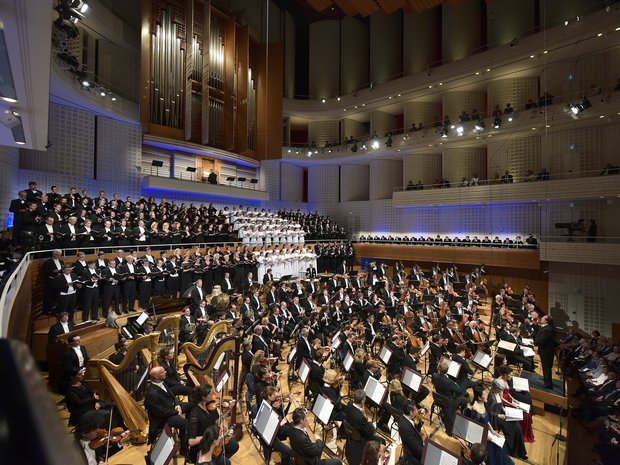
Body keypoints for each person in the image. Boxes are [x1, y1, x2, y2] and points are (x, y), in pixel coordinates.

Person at [187, 385, 239, 464]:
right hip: (203, 447)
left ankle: (218, 458)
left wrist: (229, 409)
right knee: (227, 463)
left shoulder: (211, 407)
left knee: (234, 446)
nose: (213, 396)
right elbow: (191, 441)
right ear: (203, 397)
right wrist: (211, 436)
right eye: (211, 394)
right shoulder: (194, 414)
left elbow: (217, 421)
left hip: (214, 441)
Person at [464, 387, 514, 465]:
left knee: (502, 444)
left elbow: (486, 420)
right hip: (481, 437)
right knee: (495, 449)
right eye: (484, 394)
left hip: (487, 432)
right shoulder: (475, 410)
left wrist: (492, 431)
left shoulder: (482, 403)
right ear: (479, 397)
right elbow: (474, 429)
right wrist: (486, 437)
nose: (487, 395)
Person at [144, 366, 190, 445]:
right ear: (156, 376)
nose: (165, 372)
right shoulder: (152, 394)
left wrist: (177, 404)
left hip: (171, 409)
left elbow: (172, 396)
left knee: (192, 405)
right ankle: (184, 448)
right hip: (163, 419)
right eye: (162, 372)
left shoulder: (161, 382)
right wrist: (175, 411)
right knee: (185, 424)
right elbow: (160, 412)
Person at [398, 401, 424, 465]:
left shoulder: (403, 417)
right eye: (415, 410)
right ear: (411, 412)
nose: (416, 412)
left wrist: (420, 419)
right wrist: (426, 451)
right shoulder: (406, 428)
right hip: (413, 457)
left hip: (413, 446)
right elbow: (417, 450)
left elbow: (415, 430)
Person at [534, 315, 557, 389]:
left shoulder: (548, 329)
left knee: (546, 367)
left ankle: (548, 384)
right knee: (545, 367)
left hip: (547, 351)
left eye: (543, 318)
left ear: (546, 321)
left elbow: (541, 340)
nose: (541, 319)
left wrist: (535, 342)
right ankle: (546, 379)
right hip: (545, 350)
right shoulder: (546, 328)